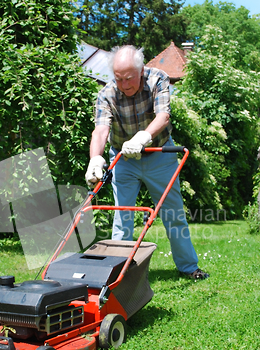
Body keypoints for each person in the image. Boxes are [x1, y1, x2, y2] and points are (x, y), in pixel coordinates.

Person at [85, 45, 209, 280]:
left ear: (140, 71)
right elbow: (100, 130)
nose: (124, 84)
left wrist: (143, 137)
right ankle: (116, 274)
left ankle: (188, 267)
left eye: (129, 78)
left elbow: (163, 115)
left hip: (159, 155)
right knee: (123, 217)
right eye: (119, 79)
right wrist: (95, 159)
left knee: (173, 214)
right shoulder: (106, 94)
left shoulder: (157, 79)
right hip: (123, 159)